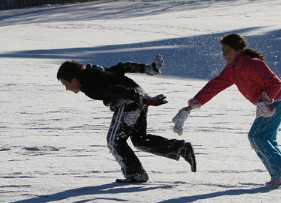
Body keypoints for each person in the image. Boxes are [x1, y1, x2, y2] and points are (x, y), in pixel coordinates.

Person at [172, 34, 281, 188]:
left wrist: (265, 100)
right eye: (223, 51)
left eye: (228, 51)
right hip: (268, 103)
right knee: (265, 138)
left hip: (278, 100)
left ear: (239, 50)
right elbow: (214, 86)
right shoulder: (232, 69)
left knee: (257, 136)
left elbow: (275, 82)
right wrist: (190, 106)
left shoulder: (253, 64)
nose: (224, 55)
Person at [57, 55, 196, 183]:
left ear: (74, 80)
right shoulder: (95, 72)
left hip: (130, 101)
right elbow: (122, 67)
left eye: (65, 85)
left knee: (114, 141)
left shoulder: (89, 85)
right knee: (140, 139)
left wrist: (140, 99)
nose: (67, 89)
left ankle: (136, 174)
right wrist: (148, 69)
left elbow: (116, 89)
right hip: (138, 97)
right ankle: (181, 148)